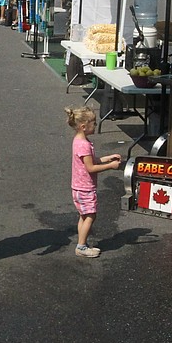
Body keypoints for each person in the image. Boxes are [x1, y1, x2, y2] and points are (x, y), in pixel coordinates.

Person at [65, 106, 123, 257]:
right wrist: (110, 166)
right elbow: (90, 168)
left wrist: (107, 158)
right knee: (91, 215)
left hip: (78, 186)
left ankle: (82, 242)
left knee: (84, 216)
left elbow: (92, 161)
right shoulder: (84, 145)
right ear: (84, 126)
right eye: (94, 123)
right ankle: (81, 246)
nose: (96, 125)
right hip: (85, 187)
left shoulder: (79, 141)